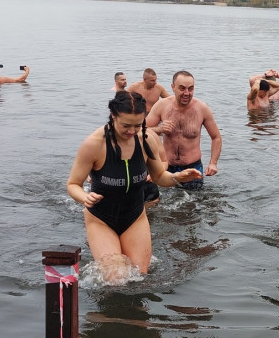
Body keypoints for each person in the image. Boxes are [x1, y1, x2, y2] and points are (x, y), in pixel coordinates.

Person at [66, 91, 202, 279]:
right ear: (113, 116)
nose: (132, 131)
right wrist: (84, 197)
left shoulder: (146, 139)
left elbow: (160, 176)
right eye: (126, 125)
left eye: (138, 125)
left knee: (138, 277)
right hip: (101, 219)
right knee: (116, 276)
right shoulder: (94, 144)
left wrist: (179, 177)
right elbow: (73, 184)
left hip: (135, 217)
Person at [146, 70, 222, 188]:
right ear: (173, 87)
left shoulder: (202, 109)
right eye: (182, 88)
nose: (187, 93)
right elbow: (141, 131)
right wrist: (160, 129)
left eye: (190, 89)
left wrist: (213, 163)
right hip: (165, 167)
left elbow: (216, 137)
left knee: (193, 203)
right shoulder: (162, 106)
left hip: (193, 168)